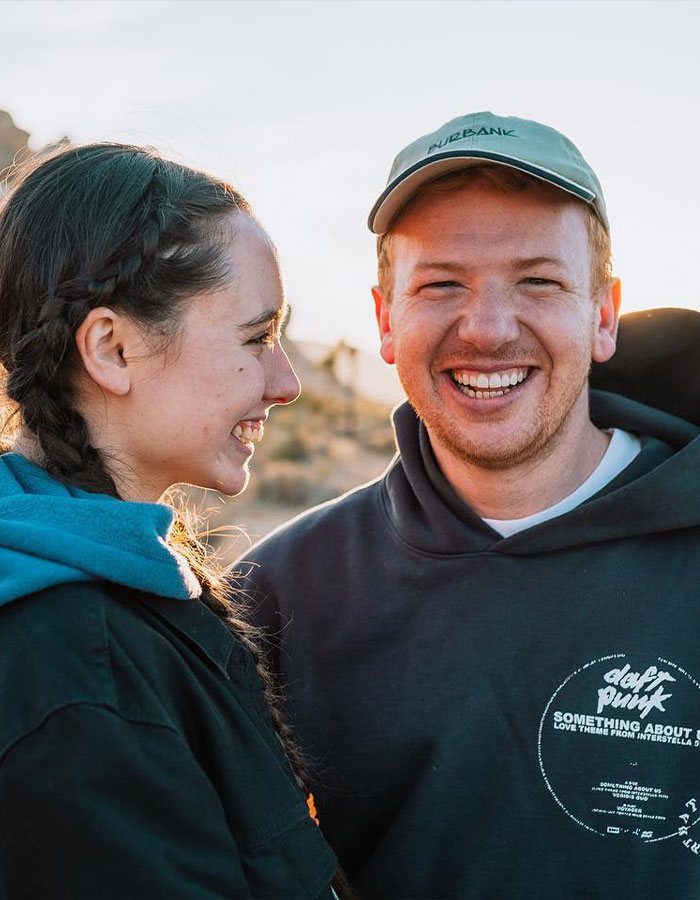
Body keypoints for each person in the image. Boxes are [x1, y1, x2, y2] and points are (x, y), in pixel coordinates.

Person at [240, 112, 700, 899]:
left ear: (602, 314)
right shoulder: (278, 594)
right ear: (386, 320)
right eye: (441, 283)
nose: (487, 329)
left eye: (538, 282)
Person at [0, 143, 340, 899]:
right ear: (112, 350)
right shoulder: (75, 670)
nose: (285, 384)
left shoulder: (99, 595)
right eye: (256, 338)